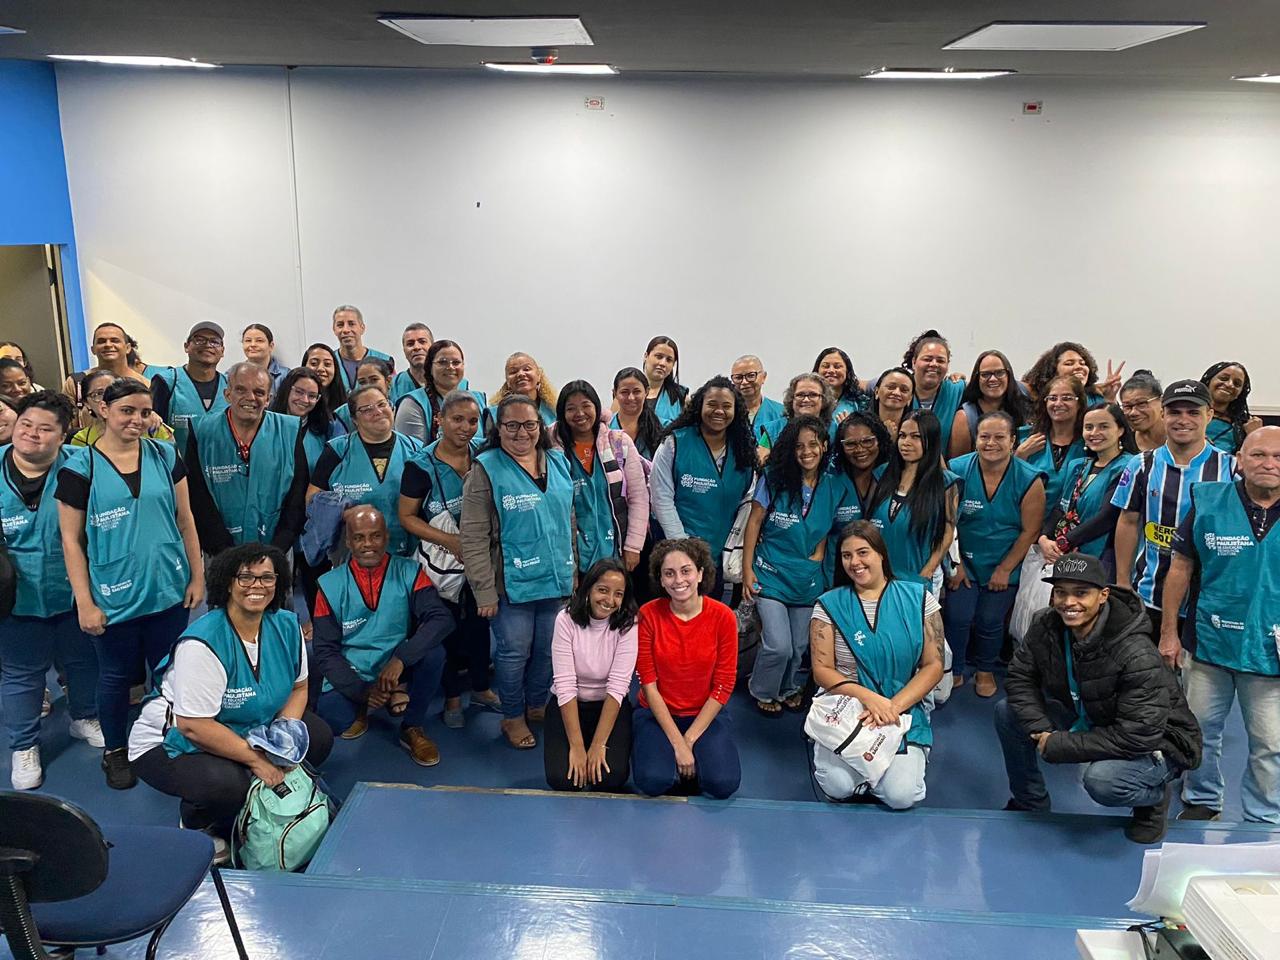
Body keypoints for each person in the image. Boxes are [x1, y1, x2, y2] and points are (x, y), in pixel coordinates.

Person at [129, 544, 333, 844]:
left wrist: (280, 740)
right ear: (227, 582)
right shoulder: (203, 643)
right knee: (225, 785)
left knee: (316, 737)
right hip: (169, 741)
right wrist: (258, 761)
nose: (257, 587)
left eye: (267, 578)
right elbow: (193, 726)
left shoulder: (287, 625)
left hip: (244, 724)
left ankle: (248, 790)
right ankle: (197, 821)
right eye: (246, 578)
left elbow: (299, 688)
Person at [56, 379, 204, 789]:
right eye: (126, 411)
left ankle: (161, 741)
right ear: (103, 409)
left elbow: (186, 518)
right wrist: (84, 602)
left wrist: (197, 575)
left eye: (143, 412)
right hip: (112, 593)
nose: (136, 420)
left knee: (169, 673)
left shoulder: (165, 454)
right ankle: (116, 751)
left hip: (167, 589)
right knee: (116, 676)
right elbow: (70, 539)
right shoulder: (78, 466)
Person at [996, 553, 1201, 844]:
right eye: (1061, 592)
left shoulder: (1135, 651)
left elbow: (1138, 735)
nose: (1069, 602)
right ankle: (1030, 802)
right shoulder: (1045, 625)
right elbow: (1020, 676)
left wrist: (1060, 744)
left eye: (1081, 593)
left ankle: (1152, 800)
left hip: (1157, 739)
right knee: (1008, 713)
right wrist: (1041, 727)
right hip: (1092, 714)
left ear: (1103, 595)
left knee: (1103, 781)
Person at [1161, 426, 1280, 824]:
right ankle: (1202, 799)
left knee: (1270, 742)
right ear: (1239, 460)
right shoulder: (1208, 502)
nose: (1269, 464)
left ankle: (1264, 817)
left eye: (1278, 457)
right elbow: (1180, 568)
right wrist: (1169, 633)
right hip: (1208, 640)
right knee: (1199, 731)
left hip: (1271, 651)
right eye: (1259, 455)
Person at [461, 394, 576, 750]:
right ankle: (512, 716)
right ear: (498, 428)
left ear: (540, 427)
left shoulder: (557, 461)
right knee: (514, 652)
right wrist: (483, 591)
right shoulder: (486, 468)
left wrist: (574, 575)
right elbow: (473, 536)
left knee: (547, 650)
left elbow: (568, 521)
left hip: (556, 579)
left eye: (529, 424)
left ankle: (536, 704)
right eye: (511, 425)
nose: (521, 432)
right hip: (510, 584)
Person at [1, 392, 102, 790]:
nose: (32, 435)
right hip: (12, 597)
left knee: (80, 661)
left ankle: (84, 716)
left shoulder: (80, 469)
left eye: (46, 430)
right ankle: (23, 746)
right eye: (27, 425)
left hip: (72, 588)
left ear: (63, 436)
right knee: (21, 674)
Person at [809, 521, 945, 808]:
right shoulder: (828, 604)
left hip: (901, 705)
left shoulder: (920, 598)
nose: (855, 562)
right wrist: (869, 698)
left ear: (881, 553)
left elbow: (934, 665)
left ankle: (886, 773)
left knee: (901, 796)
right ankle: (863, 775)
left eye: (863, 552)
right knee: (838, 787)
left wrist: (892, 707)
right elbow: (822, 670)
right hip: (848, 706)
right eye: (847, 556)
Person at [313, 506, 453, 764]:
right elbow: (325, 651)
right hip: (353, 670)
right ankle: (362, 708)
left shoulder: (410, 572)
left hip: (395, 666)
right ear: (348, 541)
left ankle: (412, 726)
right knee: (332, 719)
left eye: (375, 536)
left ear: (386, 537)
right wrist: (361, 692)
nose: (368, 544)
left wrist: (401, 659)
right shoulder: (329, 584)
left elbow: (441, 618)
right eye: (359, 537)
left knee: (435, 654)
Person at [398, 390, 502, 727]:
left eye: (473, 421)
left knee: (478, 622)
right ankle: (453, 696)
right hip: (442, 563)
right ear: (439, 420)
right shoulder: (420, 466)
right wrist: (451, 541)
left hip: (481, 561)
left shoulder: (484, 456)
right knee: (448, 627)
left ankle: (482, 688)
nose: (466, 427)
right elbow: (407, 517)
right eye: (457, 419)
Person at [743, 416, 850, 714]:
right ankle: (763, 689)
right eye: (799, 446)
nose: (806, 452)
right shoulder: (775, 479)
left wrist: (820, 550)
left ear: (824, 445)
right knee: (779, 645)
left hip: (807, 577)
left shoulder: (834, 484)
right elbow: (754, 523)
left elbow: (834, 527)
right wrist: (748, 569)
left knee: (801, 646)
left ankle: (788, 687)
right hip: (770, 572)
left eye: (813, 444)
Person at [1113, 379, 1237, 638]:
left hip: (1208, 601)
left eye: (1193, 412)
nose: (1184, 420)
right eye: (1175, 412)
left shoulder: (1231, 469)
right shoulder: (1141, 465)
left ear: (1209, 415)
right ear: (1163, 414)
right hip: (1148, 595)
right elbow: (1127, 521)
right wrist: (1123, 582)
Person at [947, 410, 1046, 697]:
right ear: (975, 439)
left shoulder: (1029, 479)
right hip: (962, 560)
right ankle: (954, 669)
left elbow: (1030, 530)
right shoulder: (957, 469)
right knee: (958, 616)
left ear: (1013, 441)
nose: (991, 443)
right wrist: (956, 563)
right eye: (984, 436)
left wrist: (1005, 569)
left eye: (999, 437)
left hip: (1005, 561)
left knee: (991, 620)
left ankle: (985, 669)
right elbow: (947, 523)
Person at [632, 538, 740, 799]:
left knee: (724, 784)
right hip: (656, 714)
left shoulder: (723, 617)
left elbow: (724, 684)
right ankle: (674, 764)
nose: (678, 580)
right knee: (652, 782)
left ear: (701, 573)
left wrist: (687, 741)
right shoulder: (648, 614)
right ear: (661, 579)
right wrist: (676, 742)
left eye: (686, 571)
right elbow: (648, 683)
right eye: (669, 573)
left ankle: (692, 764)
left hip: (704, 713)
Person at [185, 363, 310, 555]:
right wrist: (224, 552)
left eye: (259, 392)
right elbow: (197, 495)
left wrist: (277, 550)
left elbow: (297, 497)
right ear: (227, 394)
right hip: (219, 553)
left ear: (269, 399)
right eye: (241, 390)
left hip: (277, 551)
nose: (250, 398)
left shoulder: (289, 430)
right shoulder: (202, 431)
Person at [649, 376, 756, 597]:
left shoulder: (743, 450)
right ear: (700, 406)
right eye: (712, 405)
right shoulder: (674, 442)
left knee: (706, 620)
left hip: (716, 557)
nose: (719, 411)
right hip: (675, 552)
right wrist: (683, 547)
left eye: (727, 406)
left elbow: (748, 501)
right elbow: (661, 498)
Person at [545, 558, 638, 792]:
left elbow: (618, 687)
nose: (609, 600)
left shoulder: (629, 624)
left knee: (610, 778)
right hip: (570, 704)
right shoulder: (565, 620)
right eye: (603, 590)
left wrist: (599, 745)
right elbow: (565, 685)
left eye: (618, 594)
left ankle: (595, 743)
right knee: (563, 780)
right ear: (588, 589)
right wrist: (576, 746)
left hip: (608, 706)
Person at [307, 384, 423, 557]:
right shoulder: (337, 450)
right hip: (351, 555)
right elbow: (311, 499)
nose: (377, 411)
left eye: (382, 404)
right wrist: (345, 513)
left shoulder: (416, 449)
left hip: (407, 554)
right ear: (354, 419)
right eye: (367, 409)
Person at [555, 380, 649, 574]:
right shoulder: (554, 449)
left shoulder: (619, 443)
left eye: (586, 406)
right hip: (572, 557)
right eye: (571, 408)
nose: (580, 414)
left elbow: (639, 497)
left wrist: (633, 546)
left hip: (616, 551)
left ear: (596, 407)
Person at [1039, 403, 1135, 578]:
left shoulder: (1130, 466)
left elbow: (1107, 517)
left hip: (1103, 558)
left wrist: (1063, 542)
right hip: (1068, 556)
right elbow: (1061, 508)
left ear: (1120, 429)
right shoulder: (1078, 466)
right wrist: (1044, 538)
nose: (1094, 433)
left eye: (1104, 426)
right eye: (1088, 427)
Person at [866, 411, 957, 595]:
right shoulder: (881, 474)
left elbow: (948, 530)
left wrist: (928, 570)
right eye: (902, 435)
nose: (906, 442)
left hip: (917, 578)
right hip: (877, 578)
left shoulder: (946, 483)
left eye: (916, 437)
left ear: (931, 441)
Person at [150, 321, 230, 451]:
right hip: (176, 467)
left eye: (214, 342)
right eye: (200, 340)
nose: (208, 345)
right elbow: (152, 428)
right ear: (186, 346)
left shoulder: (231, 385)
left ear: (222, 351)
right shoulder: (166, 382)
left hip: (221, 468)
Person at [1016, 375, 1086, 522]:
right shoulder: (1025, 439)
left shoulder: (1090, 443)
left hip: (1071, 532)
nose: (1058, 403)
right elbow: (1006, 486)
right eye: (1052, 398)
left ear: (1079, 403)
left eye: (1067, 398)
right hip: (1025, 528)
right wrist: (1019, 456)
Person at [394, 339, 489, 445]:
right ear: (430, 367)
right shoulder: (412, 404)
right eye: (442, 362)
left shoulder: (479, 400)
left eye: (456, 362)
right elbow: (412, 453)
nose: (450, 367)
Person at [62, 323, 157, 428]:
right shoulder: (77, 383)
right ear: (93, 349)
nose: (108, 345)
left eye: (115, 340)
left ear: (128, 348)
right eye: (101, 341)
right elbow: (65, 426)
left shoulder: (146, 385)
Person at [949, 349, 1028, 459]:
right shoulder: (965, 417)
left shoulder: (1023, 404)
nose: (993, 379)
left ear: (1008, 375)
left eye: (999, 373)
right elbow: (958, 467)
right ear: (977, 378)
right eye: (985, 374)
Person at [70, 368, 175, 446]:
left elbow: (174, 468)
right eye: (98, 394)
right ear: (86, 402)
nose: (106, 398)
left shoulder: (153, 426)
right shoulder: (82, 440)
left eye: (112, 390)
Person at [269, 367, 342, 474]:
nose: (305, 400)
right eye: (299, 392)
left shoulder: (326, 430)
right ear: (287, 390)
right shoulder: (267, 426)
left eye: (312, 396)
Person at [899, 330, 965, 439]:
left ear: (948, 365)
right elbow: (865, 385)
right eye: (927, 359)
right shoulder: (898, 387)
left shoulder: (957, 388)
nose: (934, 364)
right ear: (914, 362)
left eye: (940, 361)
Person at [1023, 341, 1123, 407]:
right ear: (1052, 370)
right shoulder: (1038, 398)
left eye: (1082, 363)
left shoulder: (1095, 399)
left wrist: (1110, 398)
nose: (1079, 367)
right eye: (1069, 363)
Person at [756, 373, 835, 454]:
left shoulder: (833, 429)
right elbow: (760, 462)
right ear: (791, 399)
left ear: (824, 400)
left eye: (813, 395)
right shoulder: (773, 429)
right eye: (800, 395)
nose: (806, 399)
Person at [1200, 361, 1262, 455]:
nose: (1229, 384)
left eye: (1237, 384)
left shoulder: (1244, 425)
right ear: (1209, 381)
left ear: (1240, 393)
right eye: (1223, 378)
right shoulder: (1185, 414)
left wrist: (1255, 435)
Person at [332, 304, 393, 393]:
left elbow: (392, 394)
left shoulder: (385, 361)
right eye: (340, 325)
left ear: (362, 328)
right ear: (334, 329)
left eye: (351, 324)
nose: (346, 330)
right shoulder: (329, 362)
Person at [610, 366, 663, 460]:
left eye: (636, 392)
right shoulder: (606, 427)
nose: (631, 397)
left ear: (646, 392)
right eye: (624, 392)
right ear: (615, 393)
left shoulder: (662, 427)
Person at [490, 351, 557, 426]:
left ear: (539, 376)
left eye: (527, 369)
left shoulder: (555, 411)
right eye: (513, 372)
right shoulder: (494, 414)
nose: (521, 374)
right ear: (507, 382)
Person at [333, 356, 395, 431]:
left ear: (388, 381)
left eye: (374, 379)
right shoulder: (343, 414)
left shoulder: (399, 408)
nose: (368, 386)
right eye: (362, 382)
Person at [637, 336, 687, 426]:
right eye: (659, 357)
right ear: (646, 356)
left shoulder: (681, 397)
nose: (663, 363)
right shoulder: (627, 392)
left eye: (669, 360)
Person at [812, 346, 867, 422]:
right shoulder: (808, 400)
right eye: (826, 366)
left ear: (847, 371)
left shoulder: (860, 402)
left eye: (837, 367)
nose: (831, 370)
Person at [730, 354, 784, 429]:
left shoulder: (780, 413)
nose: (744, 382)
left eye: (751, 376)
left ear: (764, 377)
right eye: (738, 377)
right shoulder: (728, 413)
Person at [1119, 370, 1166, 453]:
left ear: (1161, 401)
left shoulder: (1180, 437)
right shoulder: (1124, 445)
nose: (1133, 412)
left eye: (1141, 404)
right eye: (1127, 406)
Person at [389, 322, 434, 405]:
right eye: (410, 344)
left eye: (422, 342)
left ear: (433, 347)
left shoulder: (456, 383)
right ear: (404, 351)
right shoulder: (393, 386)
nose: (416, 347)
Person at [240, 323, 289, 395]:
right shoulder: (232, 375)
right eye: (248, 341)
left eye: (259, 341)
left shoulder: (286, 375)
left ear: (271, 346)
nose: (253, 344)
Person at [302, 342, 349, 417]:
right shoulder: (296, 400)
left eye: (327, 364)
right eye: (314, 363)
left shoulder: (347, 406)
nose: (321, 369)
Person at [872, 366, 914, 440]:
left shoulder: (916, 427)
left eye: (904, 390)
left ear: (910, 398)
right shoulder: (861, 424)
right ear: (876, 392)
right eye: (891, 387)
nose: (896, 393)